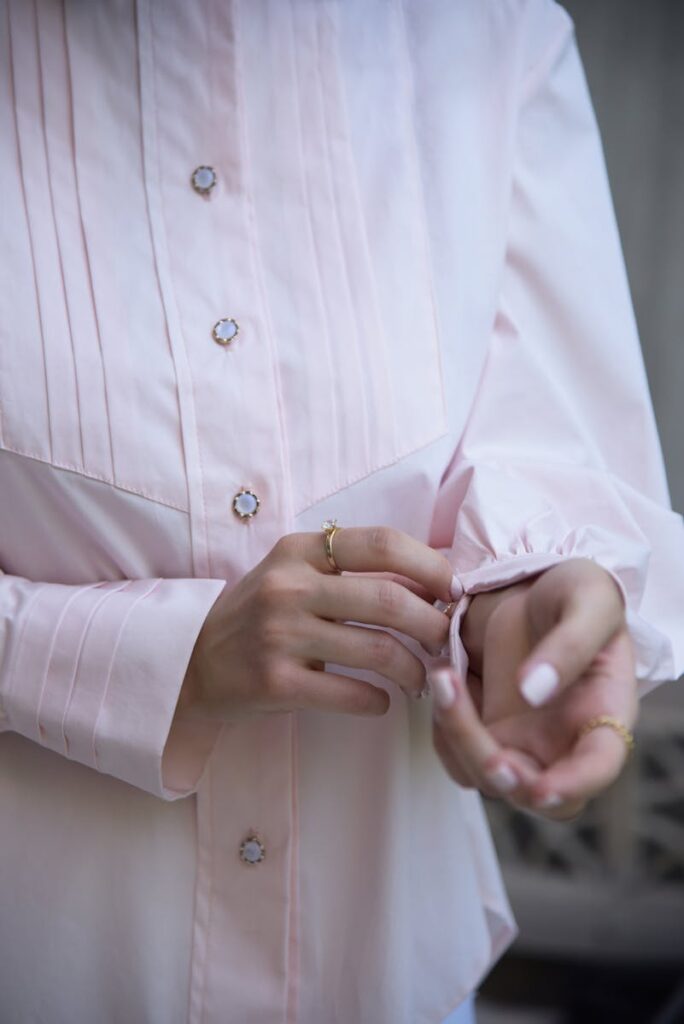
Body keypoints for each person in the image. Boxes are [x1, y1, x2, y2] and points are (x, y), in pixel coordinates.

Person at [0, 0, 682, 1022]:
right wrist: (156, 660)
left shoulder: (491, 34)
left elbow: (551, 453)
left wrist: (515, 617)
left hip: (393, 981)